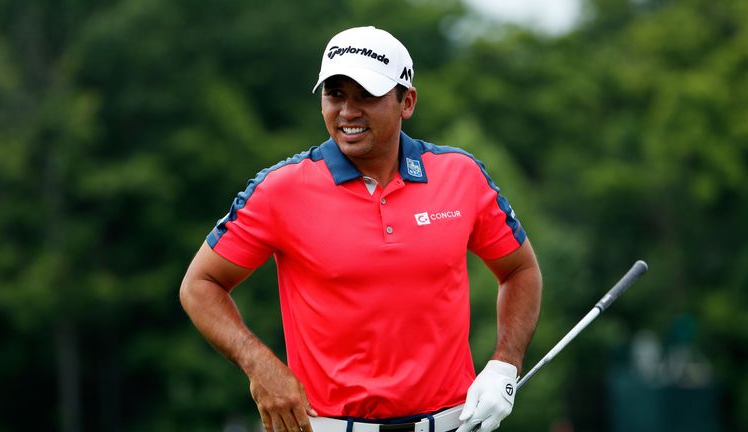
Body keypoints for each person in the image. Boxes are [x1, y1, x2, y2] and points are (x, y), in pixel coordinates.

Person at [180, 26, 542, 432]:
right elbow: (200, 285)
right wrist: (260, 366)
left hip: (451, 424)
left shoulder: (461, 175)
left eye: (366, 96)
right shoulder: (280, 189)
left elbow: (520, 270)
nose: (348, 111)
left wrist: (504, 365)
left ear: (407, 102)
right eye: (335, 95)